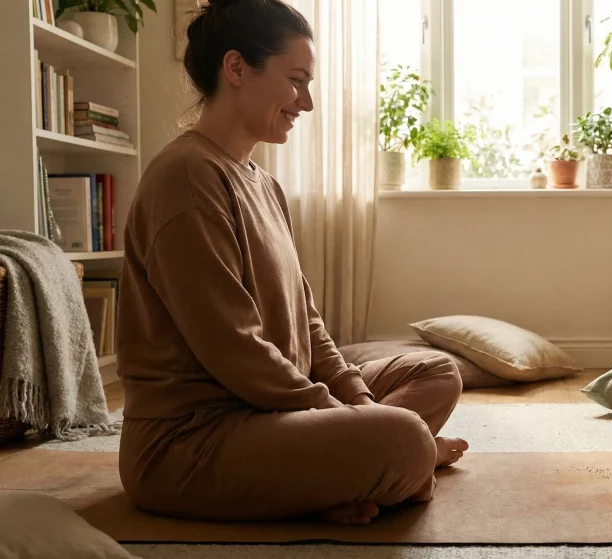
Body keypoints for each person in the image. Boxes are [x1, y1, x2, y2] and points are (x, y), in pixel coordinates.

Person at [116, 0, 468, 526]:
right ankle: (366, 467)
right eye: (296, 80)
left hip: (271, 411)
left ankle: (332, 474)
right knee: (406, 440)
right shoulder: (186, 178)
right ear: (236, 68)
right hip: (191, 444)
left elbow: (308, 321)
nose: (306, 102)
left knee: (437, 370)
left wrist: (356, 404)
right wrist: (351, 420)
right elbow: (234, 349)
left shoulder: (263, 183)